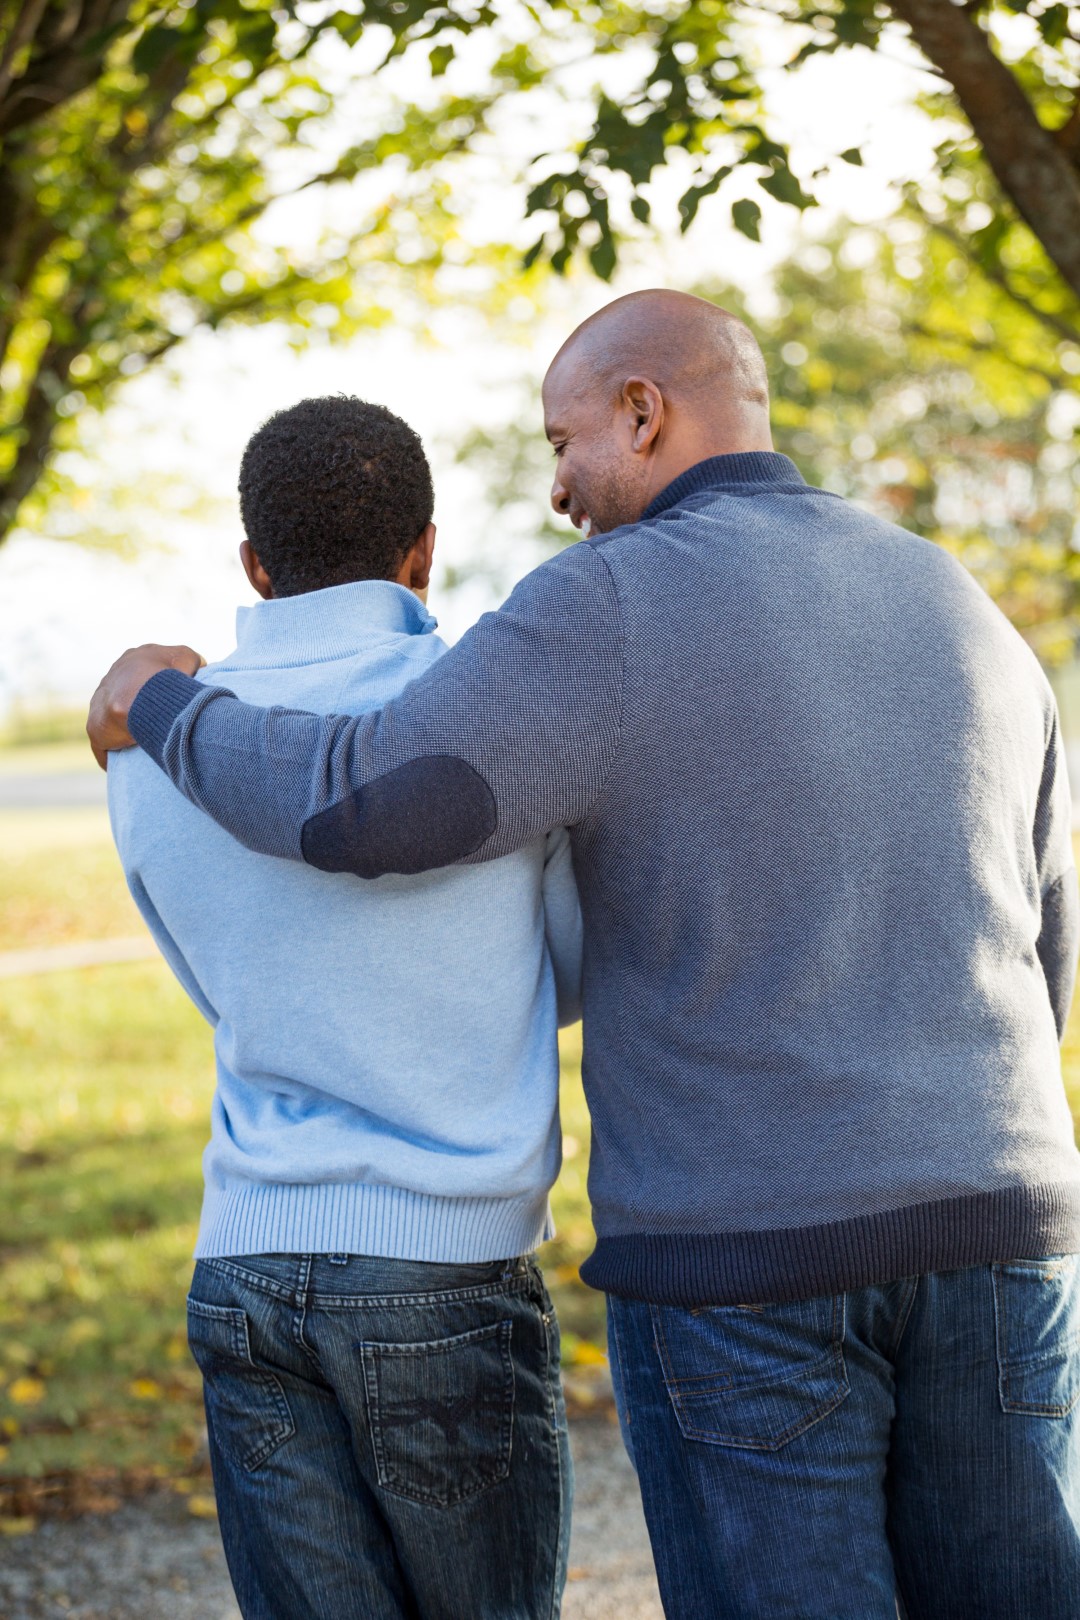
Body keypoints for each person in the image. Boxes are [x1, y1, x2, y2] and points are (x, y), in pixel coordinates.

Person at [90, 292, 1080, 1620]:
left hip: (748, 1266)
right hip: (1006, 1236)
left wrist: (153, 698)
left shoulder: (609, 604)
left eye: (565, 445)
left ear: (644, 411)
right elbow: (1049, 944)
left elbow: (357, 802)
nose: (556, 491)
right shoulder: (956, 599)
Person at [104, 395, 581, 1620]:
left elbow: (208, 977)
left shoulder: (150, 749)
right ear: (423, 546)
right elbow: (571, 966)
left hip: (246, 1261)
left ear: (254, 566)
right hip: (444, 1265)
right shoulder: (484, 715)